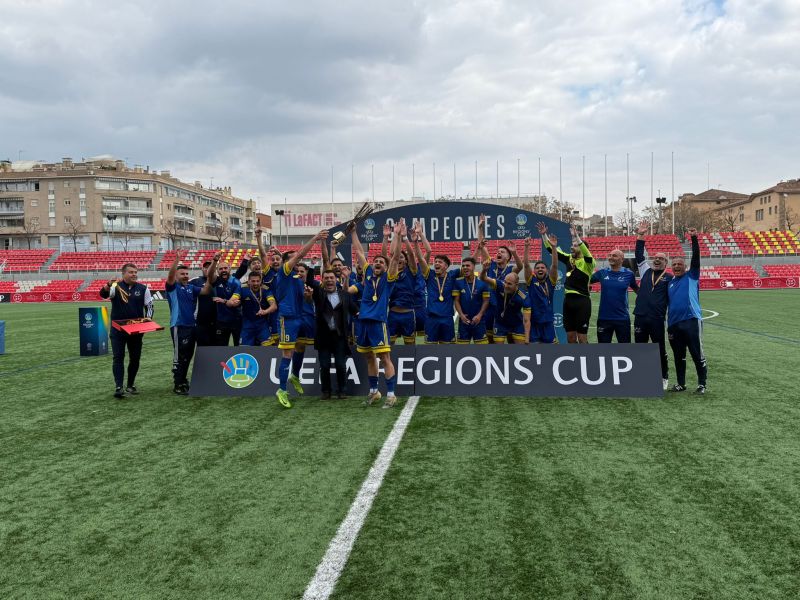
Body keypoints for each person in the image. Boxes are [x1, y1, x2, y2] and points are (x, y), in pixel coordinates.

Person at [347, 220, 403, 407]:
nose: (377, 263)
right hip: (363, 322)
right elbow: (359, 252)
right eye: (376, 261)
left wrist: (398, 236)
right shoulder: (369, 274)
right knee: (369, 357)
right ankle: (374, 392)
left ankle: (392, 394)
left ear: (386, 268)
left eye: (381, 262)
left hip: (378, 322)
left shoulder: (389, 279)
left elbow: (394, 257)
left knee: (384, 358)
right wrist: (354, 232)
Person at [272, 229, 328, 408]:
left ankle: (295, 375)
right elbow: (301, 254)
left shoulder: (297, 278)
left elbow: (303, 299)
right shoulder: (285, 270)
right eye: (293, 258)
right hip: (287, 318)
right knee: (287, 354)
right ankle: (282, 390)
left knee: (302, 346)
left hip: (301, 317)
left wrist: (308, 296)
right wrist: (315, 238)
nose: (296, 260)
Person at [100, 263, 154, 398]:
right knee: (118, 357)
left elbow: (150, 307)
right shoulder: (115, 286)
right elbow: (103, 294)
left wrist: (146, 323)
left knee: (135, 358)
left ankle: (130, 385)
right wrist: (108, 284)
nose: (134, 274)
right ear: (123, 274)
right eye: (131, 272)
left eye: (135, 272)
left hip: (136, 330)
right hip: (117, 330)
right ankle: (119, 386)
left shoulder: (143, 288)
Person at [165, 252, 217, 395]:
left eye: (187, 274)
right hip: (178, 325)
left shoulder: (190, 288)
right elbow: (169, 277)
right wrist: (176, 260)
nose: (185, 276)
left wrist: (209, 275)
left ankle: (183, 380)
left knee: (188, 355)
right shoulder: (172, 287)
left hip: (192, 326)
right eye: (182, 274)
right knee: (179, 356)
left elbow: (206, 290)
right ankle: (177, 384)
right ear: (176, 276)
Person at [667, 227, 708, 394]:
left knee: (696, 353)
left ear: (685, 267)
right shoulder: (669, 282)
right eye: (674, 264)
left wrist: (694, 239)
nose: (677, 266)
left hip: (691, 320)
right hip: (673, 324)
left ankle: (702, 384)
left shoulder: (692, 276)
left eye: (680, 264)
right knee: (678, 356)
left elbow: (696, 258)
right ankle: (681, 383)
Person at [634, 222, 673, 390]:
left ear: (666, 262)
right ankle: (642, 375)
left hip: (657, 318)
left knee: (659, 349)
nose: (657, 260)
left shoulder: (670, 277)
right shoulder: (645, 271)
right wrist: (641, 236)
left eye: (661, 259)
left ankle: (663, 376)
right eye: (655, 258)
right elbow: (638, 255)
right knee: (640, 348)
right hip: (641, 316)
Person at [312, 269, 359, 399]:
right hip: (323, 336)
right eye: (326, 278)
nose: (329, 280)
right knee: (324, 365)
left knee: (340, 364)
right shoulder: (318, 294)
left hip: (339, 336)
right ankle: (326, 391)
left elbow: (355, 310)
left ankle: (342, 390)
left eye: (331, 278)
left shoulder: (345, 295)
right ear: (322, 280)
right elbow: (310, 281)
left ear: (336, 279)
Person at [544, 225, 594, 343]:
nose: (572, 247)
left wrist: (576, 236)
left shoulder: (588, 262)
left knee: (582, 338)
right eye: (572, 245)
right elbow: (551, 249)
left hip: (582, 301)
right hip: (568, 301)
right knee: (570, 338)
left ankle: (584, 360)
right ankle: (573, 360)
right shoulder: (569, 258)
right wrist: (544, 235)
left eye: (575, 246)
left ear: (582, 249)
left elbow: (587, 253)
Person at [412, 222, 460, 344]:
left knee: (448, 350)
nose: (436, 263)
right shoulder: (430, 274)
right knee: (430, 348)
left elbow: (470, 264)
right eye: (435, 262)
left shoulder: (453, 275)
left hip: (447, 319)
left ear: (446, 266)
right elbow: (421, 258)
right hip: (431, 319)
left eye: (440, 262)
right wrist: (416, 241)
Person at [475, 214, 520, 342]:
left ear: (508, 258)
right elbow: (482, 246)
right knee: (491, 341)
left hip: (507, 307)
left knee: (512, 339)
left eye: (503, 251)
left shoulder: (511, 270)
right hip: (489, 307)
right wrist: (480, 228)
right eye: (498, 251)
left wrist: (515, 252)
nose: (499, 252)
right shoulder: (491, 264)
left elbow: (521, 266)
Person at [590, 248, 639, 343]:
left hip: (622, 318)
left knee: (625, 349)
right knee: (603, 350)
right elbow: (585, 280)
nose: (611, 257)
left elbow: (636, 289)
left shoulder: (629, 274)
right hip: (604, 318)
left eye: (614, 255)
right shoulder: (602, 273)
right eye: (610, 255)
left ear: (622, 259)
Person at [381, 223, 418, 345]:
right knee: (390, 346)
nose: (400, 259)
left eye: (403, 257)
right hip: (393, 314)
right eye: (399, 257)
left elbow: (412, 255)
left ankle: (412, 364)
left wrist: (404, 237)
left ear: (406, 261)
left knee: (410, 346)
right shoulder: (390, 272)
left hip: (408, 314)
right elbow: (385, 256)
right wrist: (387, 238)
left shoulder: (411, 271)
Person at [523, 224, 560, 343]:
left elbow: (554, 265)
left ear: (547, 270)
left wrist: (554, 247)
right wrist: (527, 247)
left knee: (550, 353)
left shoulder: (551, 281)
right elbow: (526, 264)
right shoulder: (531, 281)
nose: (540, 269)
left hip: (548, 323)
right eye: (537, 267)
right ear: (534, 271)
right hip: (534, 323)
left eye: (542, 267)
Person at [480, 263, 531, 344]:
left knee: (520, 351)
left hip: (516, 324)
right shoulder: (500, 285)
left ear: (516, 285)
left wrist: (527, 339)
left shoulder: (524, 297)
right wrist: (484, 270)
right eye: (505, 282)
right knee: (499, 352)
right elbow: (483, 278)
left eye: (509, 284)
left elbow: (526, 320)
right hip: (500, 323)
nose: (506, 285)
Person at [229, 272, 277, 346]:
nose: (256, 283)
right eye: (253, 281)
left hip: (262, 325)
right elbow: (232, 300)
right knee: (244, 351)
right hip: (247, 325)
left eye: (258, 281)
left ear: (261, 281)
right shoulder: (242, 288)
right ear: (248, 281)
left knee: (269, 347)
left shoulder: (265, 289)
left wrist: (265, 311)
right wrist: (233, 302)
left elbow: (274, 306)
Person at [454, 257, 490, 344]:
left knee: (482, 350)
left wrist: (479, 315)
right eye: (463, 266)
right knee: (462, 350)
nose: (465, 267)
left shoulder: (482, 283)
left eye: (467, 265)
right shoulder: (457, 283)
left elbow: (486, 301)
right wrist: (461, 315)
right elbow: (456, 301)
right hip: (464, 321)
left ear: (473, 267)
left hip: (479, 321)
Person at [211, 260, 243, 346]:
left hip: (236, 320)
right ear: (217, 271)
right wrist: (214, 261)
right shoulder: (216, 281)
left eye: (225, 268)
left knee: (239, 346)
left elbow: (232, 303)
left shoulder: (236, 282)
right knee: (221, 347)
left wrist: (223, 300)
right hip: (221, 321)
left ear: (230, 269)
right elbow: (210, 275)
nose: (223, 270)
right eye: (220, 269)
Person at [189, 259, 217, 347]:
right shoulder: (195, 281)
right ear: (202, 269)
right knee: (202, 348)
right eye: (205, 268)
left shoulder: (219, 280)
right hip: (200, 321)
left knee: (217, 348)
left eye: (210, 268)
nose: (207, 269)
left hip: (218, 322)